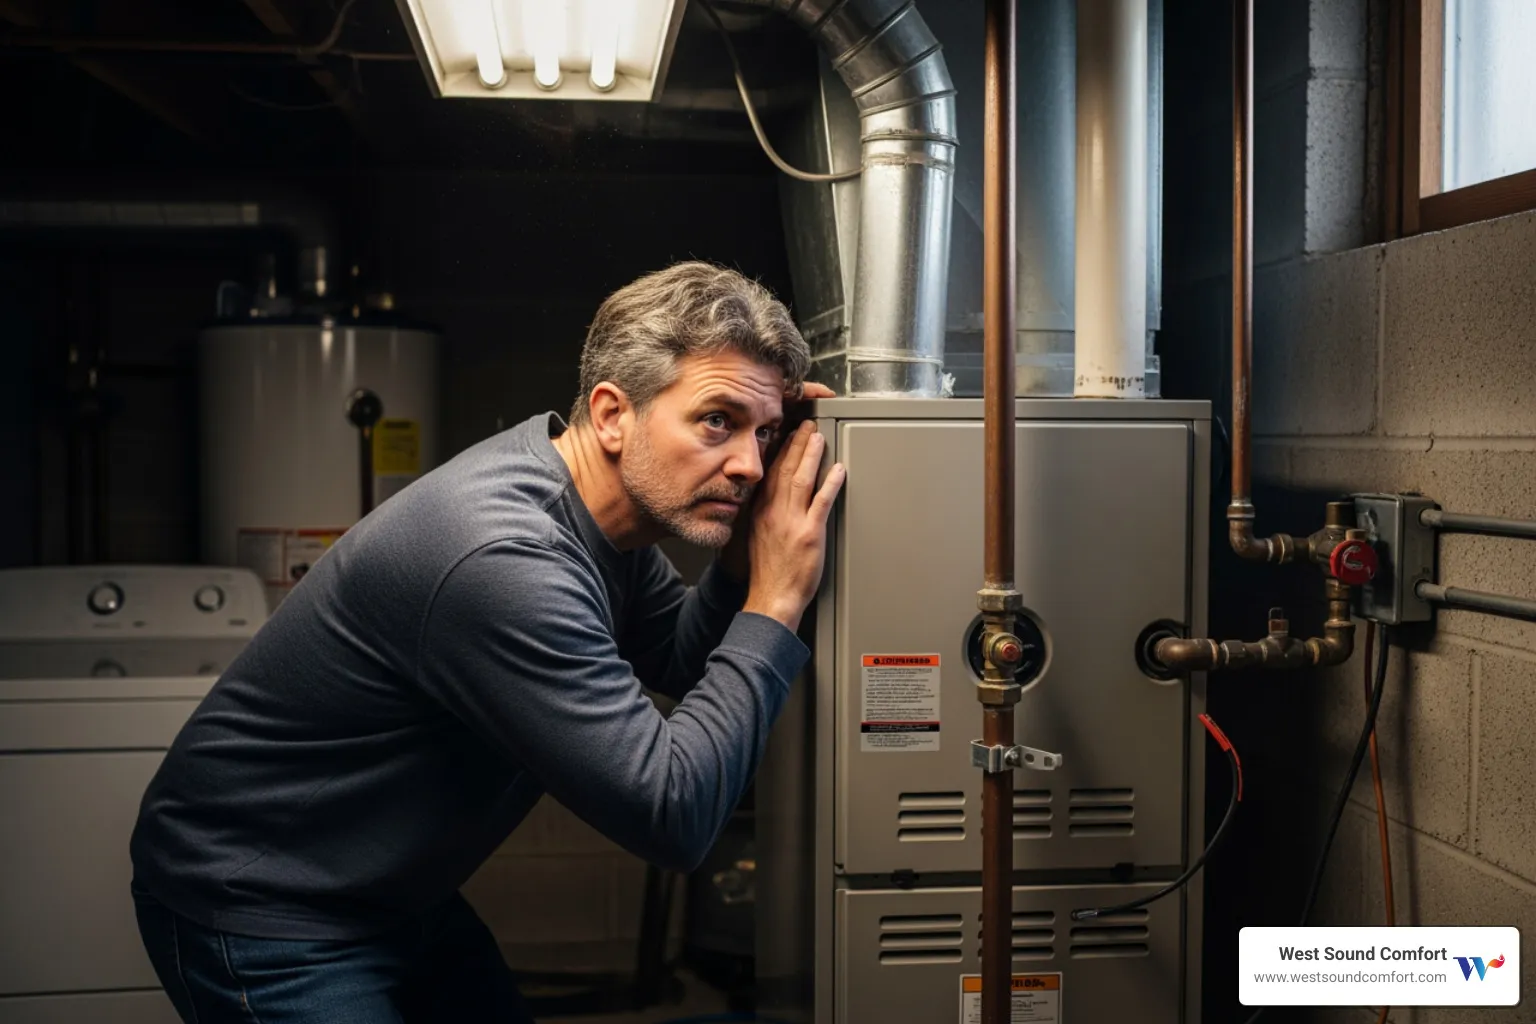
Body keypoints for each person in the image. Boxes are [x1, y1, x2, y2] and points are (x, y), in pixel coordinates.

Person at [129, 261, 847, 1023]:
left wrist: (740, 567)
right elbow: (674, 815)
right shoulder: (504, 558)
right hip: (267, 907)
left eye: (765, 433)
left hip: (392, 893)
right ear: (611, 414)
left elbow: (676, 652)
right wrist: (775, 600)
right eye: (717, 421)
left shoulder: (599, 517)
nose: (749, 465)